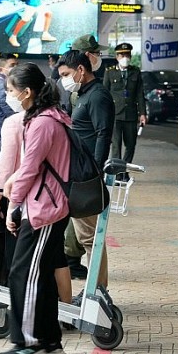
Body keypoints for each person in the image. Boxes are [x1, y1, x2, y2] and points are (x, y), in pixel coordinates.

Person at [0, 63, 70, 354]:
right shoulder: (51, 117)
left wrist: (13, 205)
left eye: (11, 91)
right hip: (48, 206)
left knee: (22, 273)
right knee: (41, 276)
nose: (9, 96)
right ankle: (50, 341)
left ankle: (27, 340)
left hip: (45, 210)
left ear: (27, 92)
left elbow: (28, 170)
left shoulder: (42, 123)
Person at [57, 49, 114, 290]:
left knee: (90, 239)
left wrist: (96, 171)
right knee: (83, 237)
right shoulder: (83, 94)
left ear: (81, 69)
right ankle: (94, 289)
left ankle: (97, 291)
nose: (64, 80)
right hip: (76, 173)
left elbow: (103, 134)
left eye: (66, 74)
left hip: (86, 176)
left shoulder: (97, 96)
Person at [103, 43, 147, 178]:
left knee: (131, 144)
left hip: (131, 114)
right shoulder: (109, 72)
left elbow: (140, 94)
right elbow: (105, 93)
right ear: (117, 57)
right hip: (115, 115)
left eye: (127, 55)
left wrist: (142, 114)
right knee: (116, 146)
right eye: (122, 55)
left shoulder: (135, 72)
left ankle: (124, 171)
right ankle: (117, 174)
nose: (125, 57)